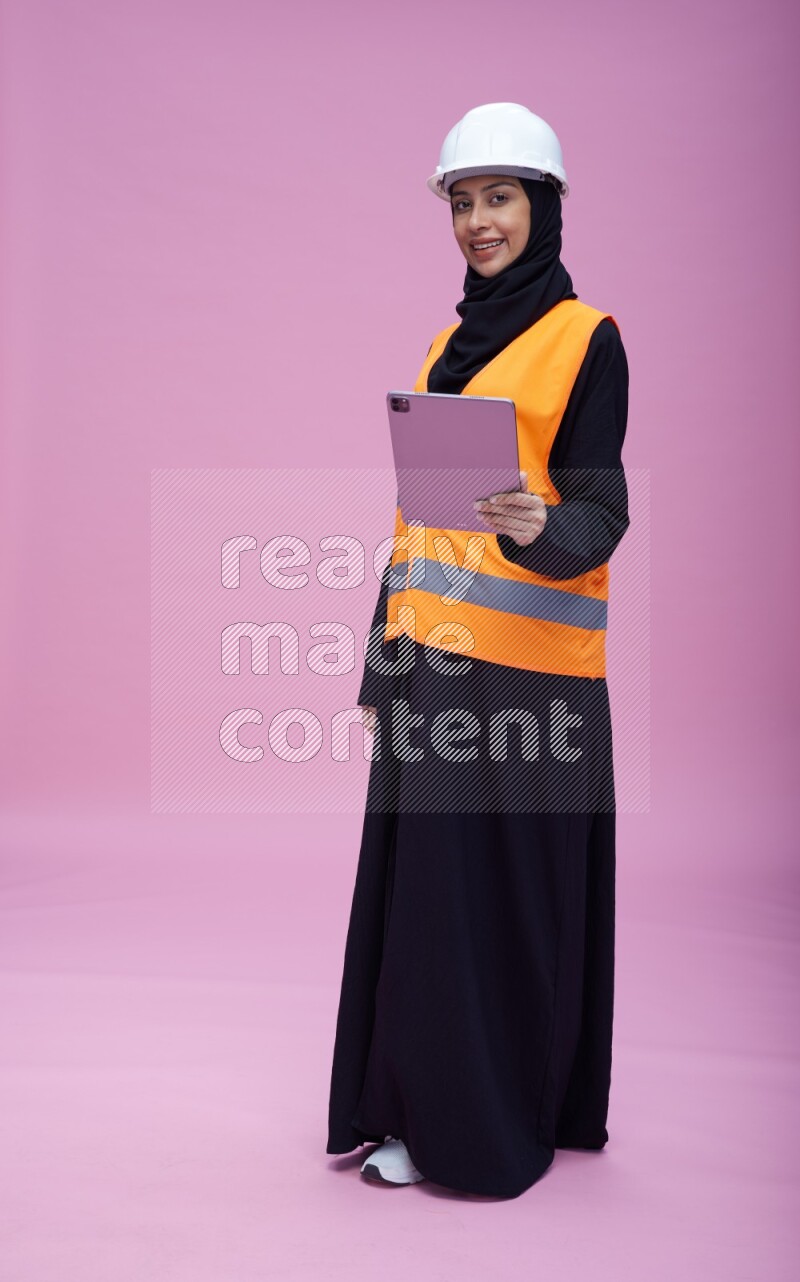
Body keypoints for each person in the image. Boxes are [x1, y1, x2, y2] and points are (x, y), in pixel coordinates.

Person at [326, 102, 631, 1198]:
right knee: (423, 912)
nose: (477, 222)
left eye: (497, 198)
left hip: (532, 691)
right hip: (432, 673)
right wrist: (377, 666)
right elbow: (413, 527)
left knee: (493, 914)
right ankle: (413, 1111)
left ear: (541, 206)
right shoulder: (441, 349)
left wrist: (535, 523)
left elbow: (601, 515)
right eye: (461, 203)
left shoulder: (585, 339)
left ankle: (491, 1129)